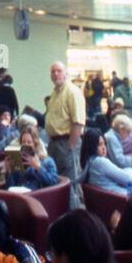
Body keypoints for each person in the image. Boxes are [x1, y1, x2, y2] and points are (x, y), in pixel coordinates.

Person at [44, 60, 86, 209]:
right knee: (57, 183)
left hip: (67, 143)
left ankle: (76, 220)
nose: (56, 74)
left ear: (66, 73)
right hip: (54, 144)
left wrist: (70, 147)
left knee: (70, 184)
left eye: (59, 71)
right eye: (53, 71)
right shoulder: (54, 94)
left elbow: (78, 122)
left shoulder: (72, 92)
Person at [80, 128, 132, 196]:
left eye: (104, 144)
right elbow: (129, 180)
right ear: (91, 146)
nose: (104, 147)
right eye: (99, 144)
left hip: (110, 199)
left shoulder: (88, 161)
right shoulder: (100, 162)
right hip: (122, 199)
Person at [3, 123, 60, 192]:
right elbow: (9, 188)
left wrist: (38, 168)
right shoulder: (19, 161)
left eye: (29, 142)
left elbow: (54, 182)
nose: (25, 145)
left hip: (38, 197)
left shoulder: (47, 161)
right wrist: (9, 171)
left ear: (35, 144)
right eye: (23, 142)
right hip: (19, 196)